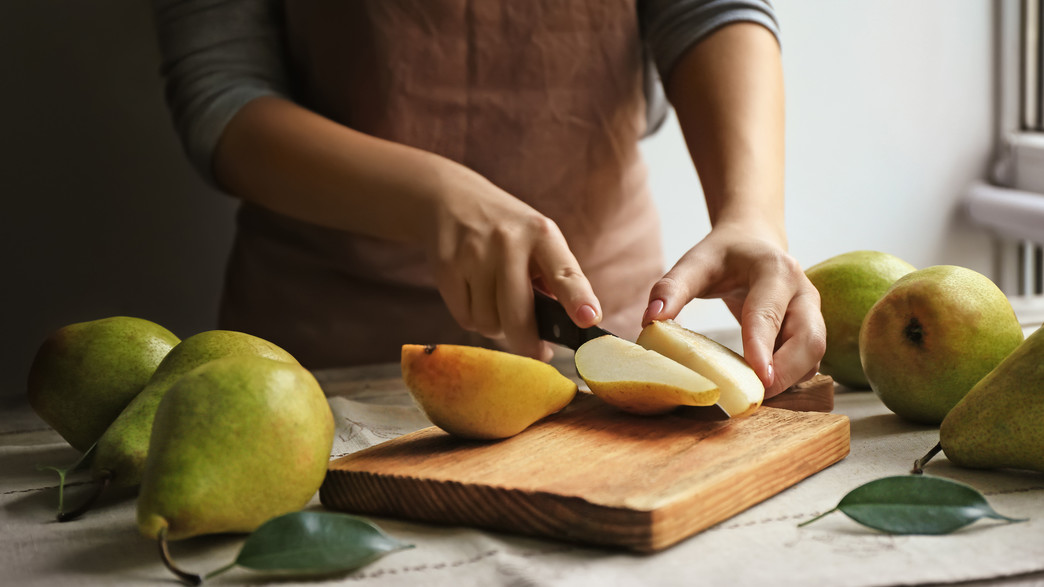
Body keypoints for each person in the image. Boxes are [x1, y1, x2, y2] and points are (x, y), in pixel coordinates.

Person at [152, 0, 825, 399]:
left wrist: (751, 215)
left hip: (603, 308)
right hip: (321, 355)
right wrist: (431, 194)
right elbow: (221, 92)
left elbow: (706, 8)